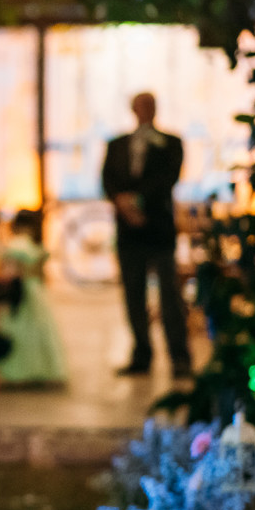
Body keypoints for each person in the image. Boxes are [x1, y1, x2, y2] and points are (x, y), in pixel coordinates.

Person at [101, 91, 192, 378]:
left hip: (158, 229)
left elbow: (168, 178)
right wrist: (123, 204)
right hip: (129, 232)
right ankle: (142, 353)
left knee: (169, 296)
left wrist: (139, 202)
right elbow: (108, 179)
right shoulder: (117, 145)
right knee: (133, 294)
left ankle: (179, 357)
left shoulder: (171, 143)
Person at [0, 210, 67, 386]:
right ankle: (41, 371)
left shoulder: (16, 245)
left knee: (19, 332)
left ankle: (19, 373)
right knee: (39, 331)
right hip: (36, 291)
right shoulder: (34, 245)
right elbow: (40, 275)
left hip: (20, 292)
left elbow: (10, 274)